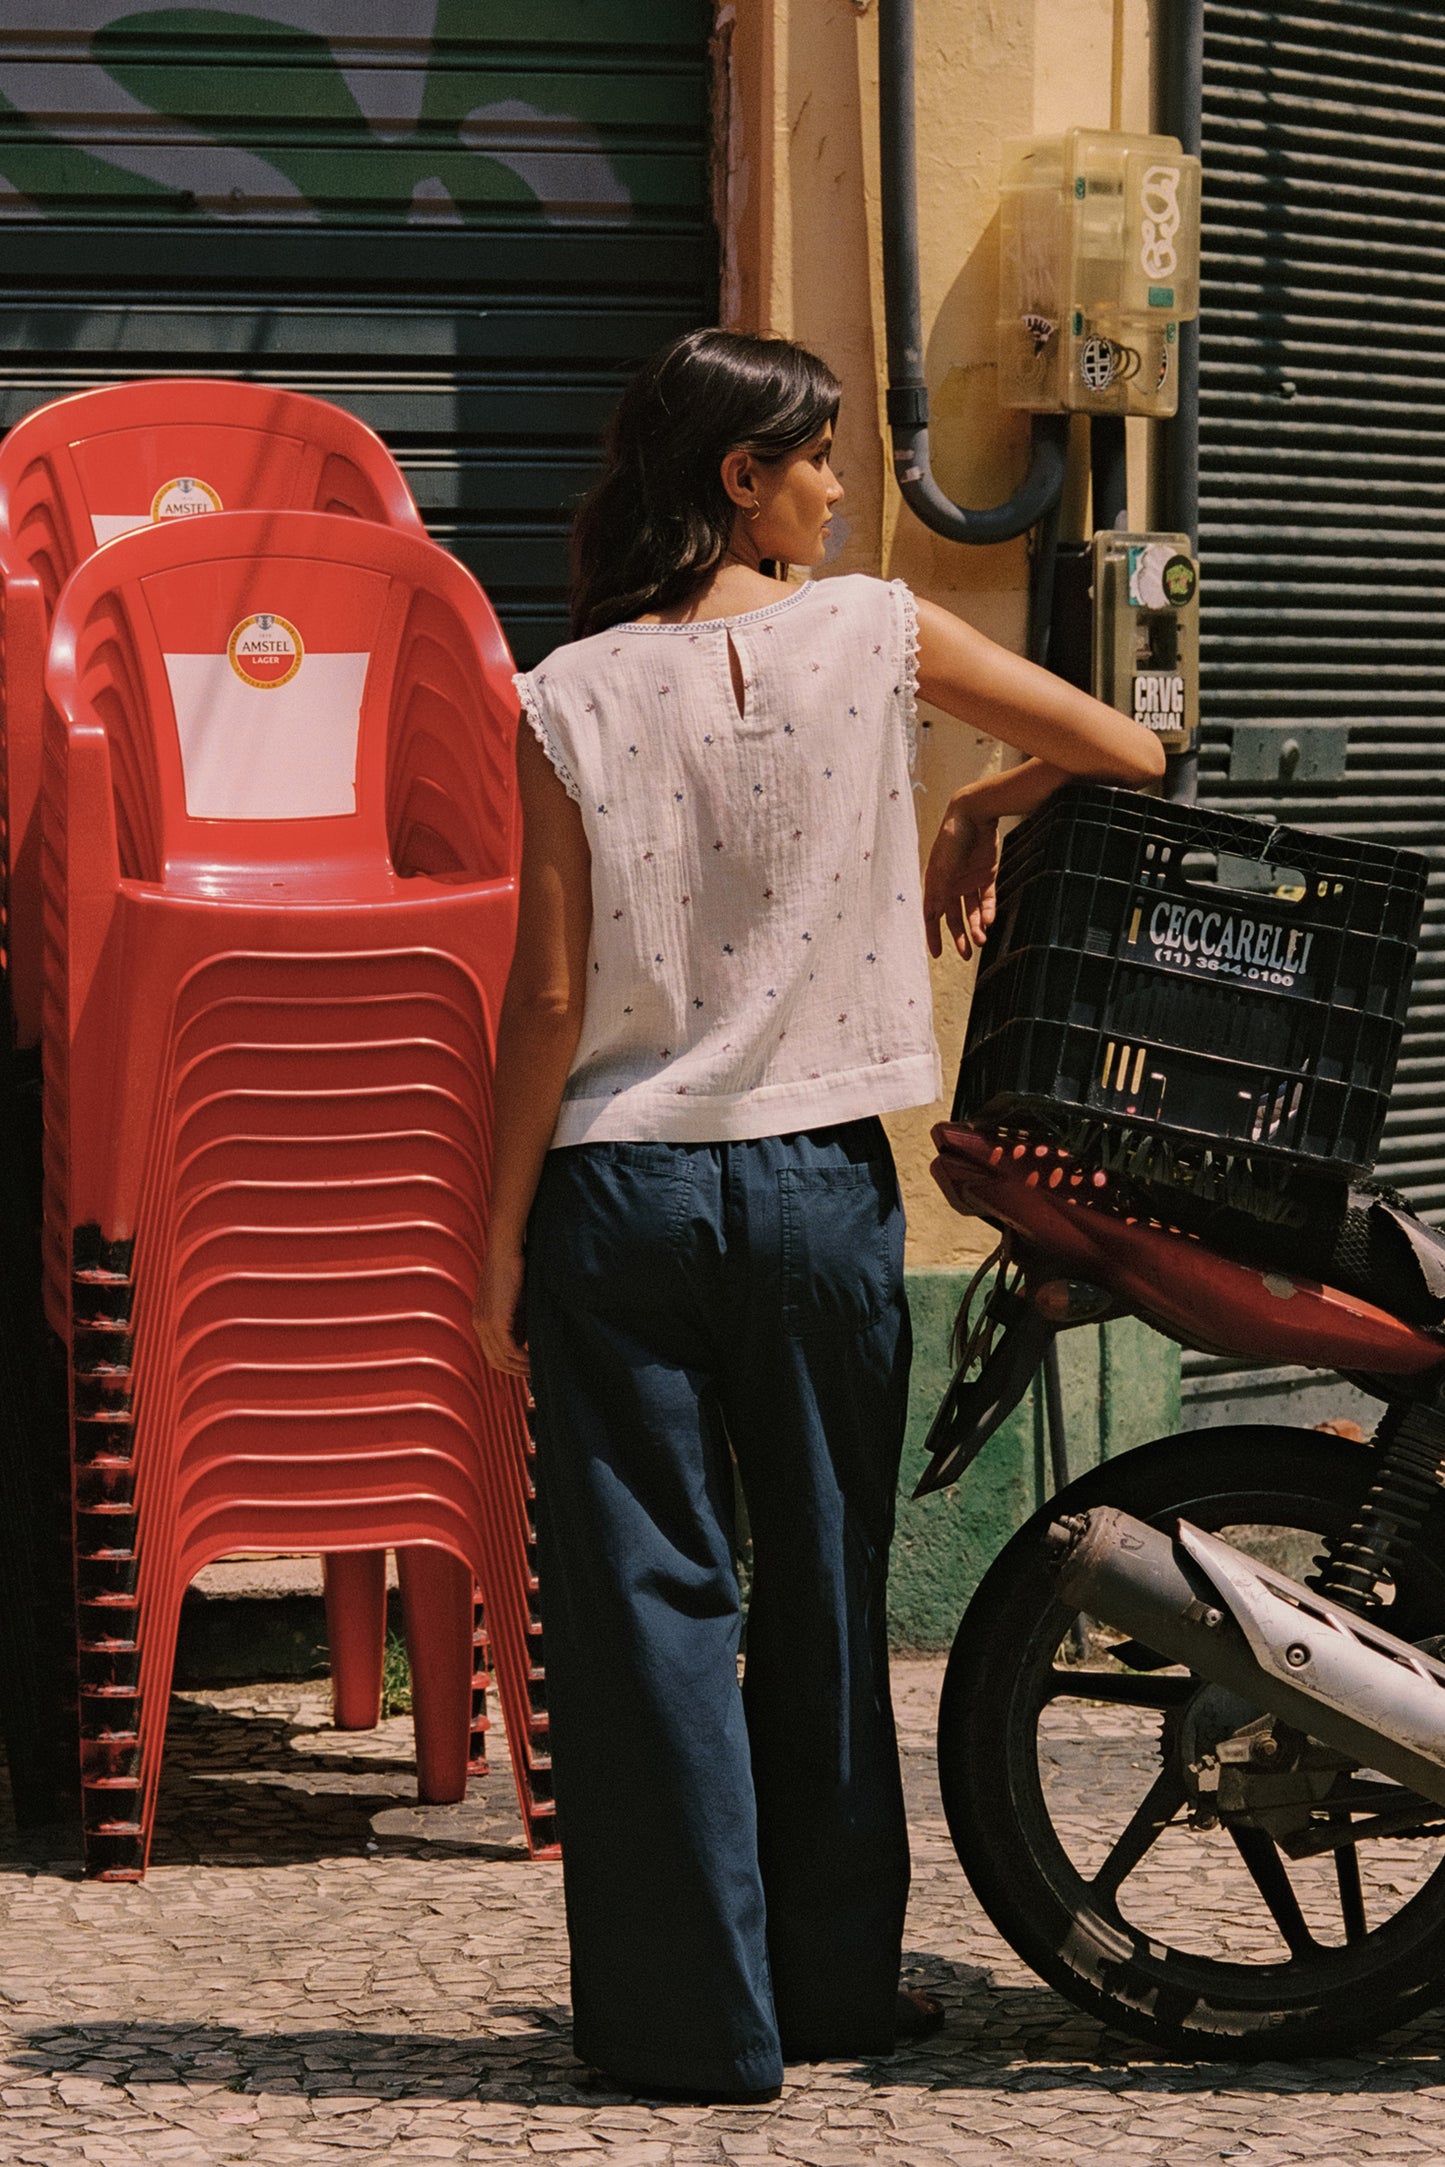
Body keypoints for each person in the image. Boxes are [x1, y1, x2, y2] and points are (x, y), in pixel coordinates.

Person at [472, 329, 1163, 2102]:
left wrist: (492, 1251)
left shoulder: (566, 695)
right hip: (813, 1187)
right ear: (739, 478)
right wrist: (984, 803)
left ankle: (688, 2028)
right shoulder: (872, 632)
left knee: (644, 1616)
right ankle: (839, 1986)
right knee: (826, 1595)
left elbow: (545, 1007)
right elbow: (1128, 747)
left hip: (619, 1193)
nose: (843, 487)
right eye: (821, 456)